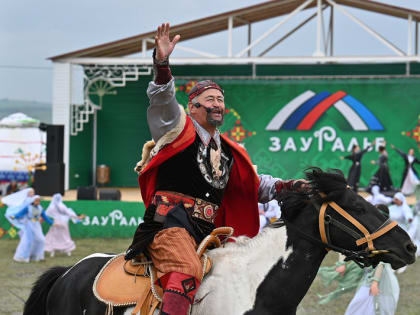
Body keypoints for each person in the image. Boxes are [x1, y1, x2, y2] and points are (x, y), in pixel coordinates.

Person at [124, 23, 306, 315]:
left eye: (220, 99)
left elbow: (255, 186)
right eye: (210, 99)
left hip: (208, 231)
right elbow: (163, 100)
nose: (218, 104)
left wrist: (290, 186)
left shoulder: (227, 152)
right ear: (192, 106)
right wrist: (162, 64)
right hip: (170, 225)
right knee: (186, 269)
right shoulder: (177, 130)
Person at [344, 206, 399, 315]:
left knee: (366, 306)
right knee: (358, 306)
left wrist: (375, 282)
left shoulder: (384, 236)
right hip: (369, 276)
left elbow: (382, 261)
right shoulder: (373, 233)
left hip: (379, 278)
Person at [12, 195, 53, 262]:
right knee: (28, 241)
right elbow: (20, 213)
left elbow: (45, 217)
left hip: (37, 226)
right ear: (33, 201)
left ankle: (38, 256)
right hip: (29, 226)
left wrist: (51, 223)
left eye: (39, 200)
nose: (38, 202)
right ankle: (24, 257)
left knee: (41, 240)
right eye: (36, 200)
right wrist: (15, 216)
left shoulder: (40, 208)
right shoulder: (28, 207)